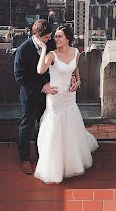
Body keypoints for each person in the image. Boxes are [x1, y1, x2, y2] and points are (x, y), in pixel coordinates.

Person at [34, 25, 98, 184]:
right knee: (55, 125)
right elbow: (40, 71)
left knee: (71, 123)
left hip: (70, 94)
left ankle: (72, 160)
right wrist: (43, 49)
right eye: (55, 36)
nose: (56, 39)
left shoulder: (75, 52)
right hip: (55, 95)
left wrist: (79, 80)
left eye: (59, 36)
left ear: (67, 38)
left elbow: (75, 68)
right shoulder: (51, 55)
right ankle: (55, 164)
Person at [13, 19, 57, 175]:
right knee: (27, 126)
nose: (50, 39)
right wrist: (41, 87)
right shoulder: (23, 50)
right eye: (46, 37)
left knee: (43, 124)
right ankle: (25, 157)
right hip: (30, 96)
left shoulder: (51, 44)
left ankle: (42, 154)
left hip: (47, 96)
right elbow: (19, 77)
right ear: (37, 36)